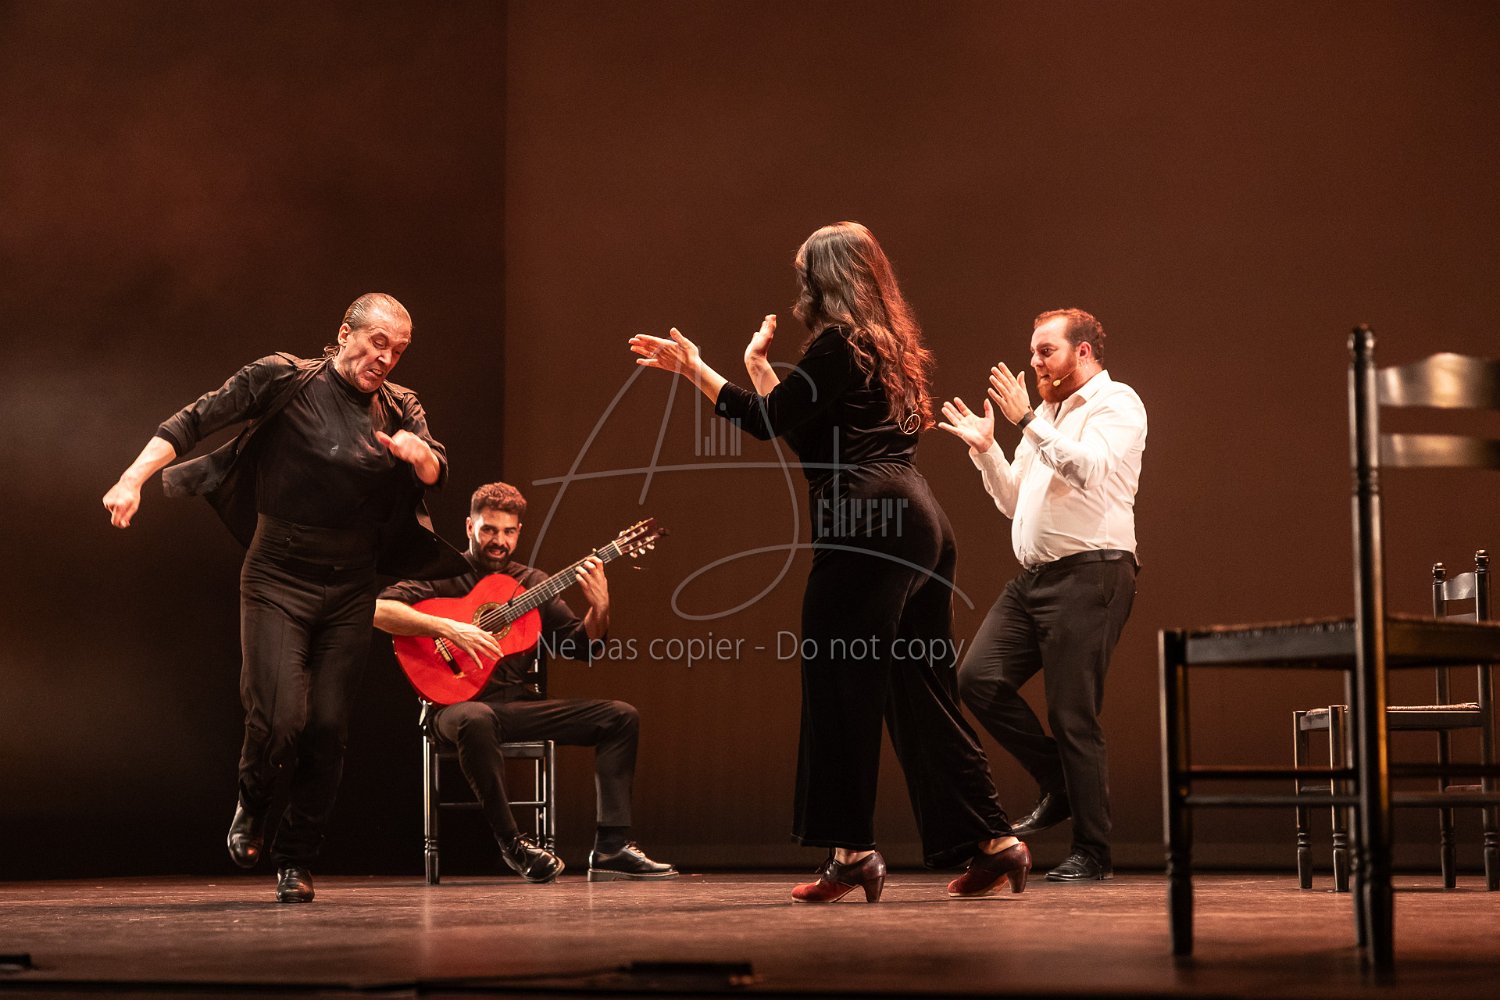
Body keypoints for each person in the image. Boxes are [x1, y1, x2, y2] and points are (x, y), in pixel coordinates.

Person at [629, 221, 1028, 902]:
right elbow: (809, 436)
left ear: (826, 281)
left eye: (806, 275)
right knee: (920, 687)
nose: (801, 290)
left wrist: (693, 367)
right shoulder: (890, 350)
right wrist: (759, 372)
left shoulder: (838, 344)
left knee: (842, 684)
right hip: (920, 522)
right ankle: (993, 841)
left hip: (866, 525)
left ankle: (852, 854)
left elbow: (763, 423)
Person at [102, 292, 466, 904]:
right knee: (278, 719)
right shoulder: (284, 378)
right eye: (377, 342)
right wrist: (131, 478)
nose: (386, 359)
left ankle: (296, 857)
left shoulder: (401, 407)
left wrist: (419, 455)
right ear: (345, 333)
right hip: (278, 573)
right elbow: (193, 420)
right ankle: (253, 802)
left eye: (398, 351)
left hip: (351, 583)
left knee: (326, 728)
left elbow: (438, 470)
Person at [374, 481, 677, 883]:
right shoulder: (440, 572)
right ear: (469, 526)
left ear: (519, 532)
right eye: (489, 529)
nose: (498, 541)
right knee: (476, 718)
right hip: (453, 709)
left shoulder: (532, 583)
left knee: (621, 717)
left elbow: (581, 647)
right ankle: (514, 846)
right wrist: (449, 628)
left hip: (518, 705)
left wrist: (600, 607)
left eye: (508, 531)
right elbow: (378, 610)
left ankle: (611, 847)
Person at [937, 308, 1147, 882]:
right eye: (1032, 352)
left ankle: (1094, 852)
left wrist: (1027, 420)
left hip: (1092, 573)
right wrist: (987, 449)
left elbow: (1089, 470)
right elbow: (1013, 500)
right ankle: (1061, 782)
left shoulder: (1116, 403)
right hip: (1034, 580)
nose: (1035, 363)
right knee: (976, 679)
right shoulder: (1047, 416)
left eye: (1046, 351)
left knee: (1072, 712)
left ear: (1083, 351)